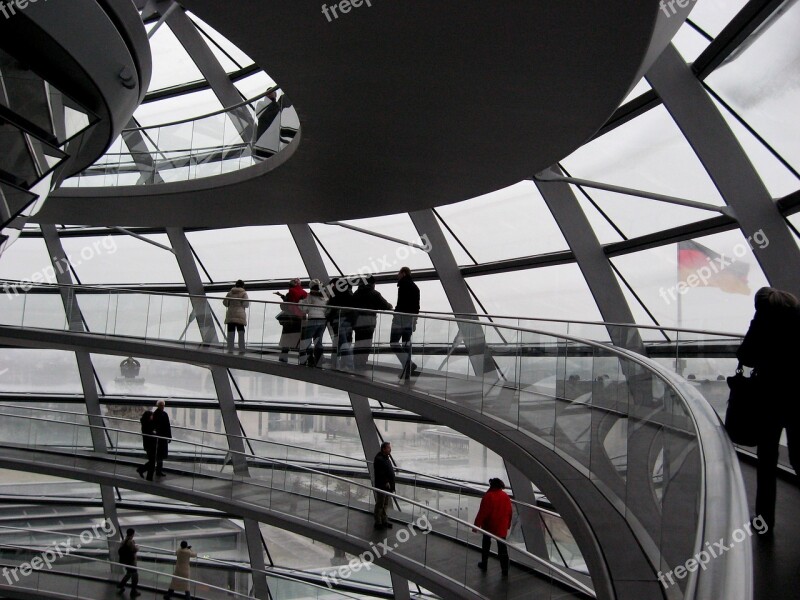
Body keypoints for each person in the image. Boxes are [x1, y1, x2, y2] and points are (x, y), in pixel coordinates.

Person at [736, 286, 800, 532]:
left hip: (768, 399)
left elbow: (746, 356)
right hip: (797, 400)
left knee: (767, 461)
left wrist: (755, 323)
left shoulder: (763, 322)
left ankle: (764, 521)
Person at [351, 275, 392, 370]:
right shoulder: (374, 294)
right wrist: (390, 306)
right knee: (367, 343)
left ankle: (356, 362)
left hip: (357, 321)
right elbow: (385, 305)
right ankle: (362, 363)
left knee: (358, 342)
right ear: (372, 283)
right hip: (369, 321)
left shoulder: (356, 293)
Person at [473, 478, 513, 576]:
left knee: (486, 544)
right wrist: (508, 525)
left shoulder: (488, 496)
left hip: (490, 525)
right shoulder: (505, 496)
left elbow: (482, 512)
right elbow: (510, 512)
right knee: (502, 548)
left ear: (492, 485)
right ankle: (505, 569)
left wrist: (476, 526)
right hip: (501, 526)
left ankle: (484, 563)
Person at [390, 267, 420, 379]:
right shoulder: (415, 288)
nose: (398, 275)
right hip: (410, 319)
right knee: (406, 344)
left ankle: (409, 364)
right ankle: (407, 372)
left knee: (393, 343)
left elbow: (400, 304)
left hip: (400, 319)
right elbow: (416, 307)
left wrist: (395, 314)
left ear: (403, 273)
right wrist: (414, 321)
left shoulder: (403, 285)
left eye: (399, 273)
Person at [326, 277, 355, 370]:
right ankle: (341, 364)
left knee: (342, 343)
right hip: (348, 321)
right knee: (345, 342)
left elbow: (331, 307)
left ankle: (348, 365)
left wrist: (329, 317)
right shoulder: (349, 293)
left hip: (338, 320)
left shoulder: (335, 293)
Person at [276, 278, 307, 363]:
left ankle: (283, 357)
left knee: (287, 337)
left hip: (290, 318)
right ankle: (303, 359)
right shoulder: (304, 293)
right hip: (301, 318)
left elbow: (287, 304)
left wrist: (283, 299)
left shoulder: (291, 291)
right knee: (300, 339)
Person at [299, 279, 328, 367]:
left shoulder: (309, 297)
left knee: (307, 341)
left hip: (312, 319)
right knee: (318, 342)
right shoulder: (325, 296)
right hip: (323, 320)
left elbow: (303, 308)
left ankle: (310, 359)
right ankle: (318, 360)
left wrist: (300, 301)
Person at [373, 442, 395, 530]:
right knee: (380, 504)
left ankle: (383, 520)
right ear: (384, 449)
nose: (390, 449)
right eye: (388, 448)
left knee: (385, 504)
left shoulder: (385, 458)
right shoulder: (380, 459)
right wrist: (386, 481)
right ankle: (378, 522)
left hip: (387, 486)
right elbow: (380, 473)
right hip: (382, 486)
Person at [223, 280, 249, 354]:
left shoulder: (230, 293)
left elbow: (225, 303)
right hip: (240, 315)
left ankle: (230, 348)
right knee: (241, 332)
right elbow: (246, 304)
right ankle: (241, 349)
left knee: (230, 333)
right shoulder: (244, 293)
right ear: (243, 286)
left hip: (230, 314)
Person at [117, 528, 140, 597]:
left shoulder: (123, 541)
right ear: (132, 534)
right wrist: (137, 547)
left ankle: (121, 585)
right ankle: (133, 591)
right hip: (131, 562)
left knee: (129, 574)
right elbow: (134, 549)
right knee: (135, 576)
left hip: (126, 561)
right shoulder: (130, 541)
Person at [153, 400, 172, 477]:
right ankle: (158, 471)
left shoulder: (155, 414)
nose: (162, 407)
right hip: (162, 437)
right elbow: (167, 426)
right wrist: (169, 436)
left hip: (158, 437)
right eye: (162, 405)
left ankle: (158, 470)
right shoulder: (164, 414)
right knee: (161, 454)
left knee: (159, 454)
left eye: (163, 405)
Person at [136, 410, 156, 481]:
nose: (152, 417)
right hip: (150, 445)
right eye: (151, 416)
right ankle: (146, 475)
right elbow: (150, 432)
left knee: (152, 461)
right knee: (152, 461)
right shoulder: (148, 424)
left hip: (148, 445)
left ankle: (143, 471)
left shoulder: (145, 424)